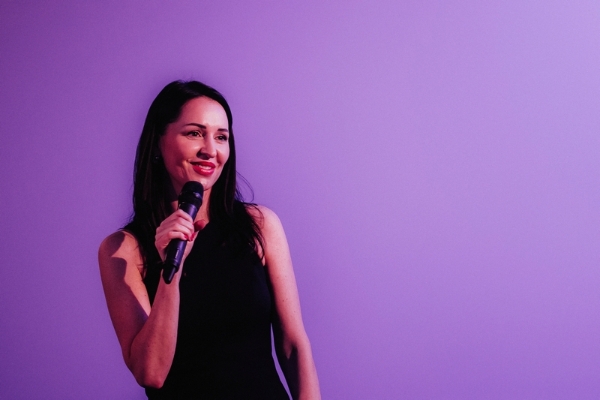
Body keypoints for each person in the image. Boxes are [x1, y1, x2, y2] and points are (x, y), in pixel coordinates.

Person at [98, 80, 320, 399]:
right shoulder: (122, 250)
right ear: (158, 143)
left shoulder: (259, 226)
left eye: (221, 137)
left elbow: (293, 345)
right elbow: (151, 373)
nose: (210, 150)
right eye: (194, 133)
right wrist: (171, 272)